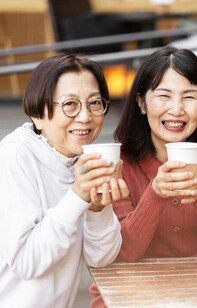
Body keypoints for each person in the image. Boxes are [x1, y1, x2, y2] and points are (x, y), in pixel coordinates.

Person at [89, 46, 197, 307]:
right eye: (164, 96)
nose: (176, 109)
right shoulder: (118, 160)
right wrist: (156, 193)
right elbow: (125, 251)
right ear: (141, 102)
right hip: (129, 293)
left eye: (189, 97)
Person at [0, 54, 129, 307]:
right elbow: (28, 262)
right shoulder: (14, 155)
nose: (84, 117)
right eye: (70, 104)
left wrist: (97, 208)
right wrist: (78, 196)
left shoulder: (79, 160)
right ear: (38, 115)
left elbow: (100, 259)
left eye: (94, 103)